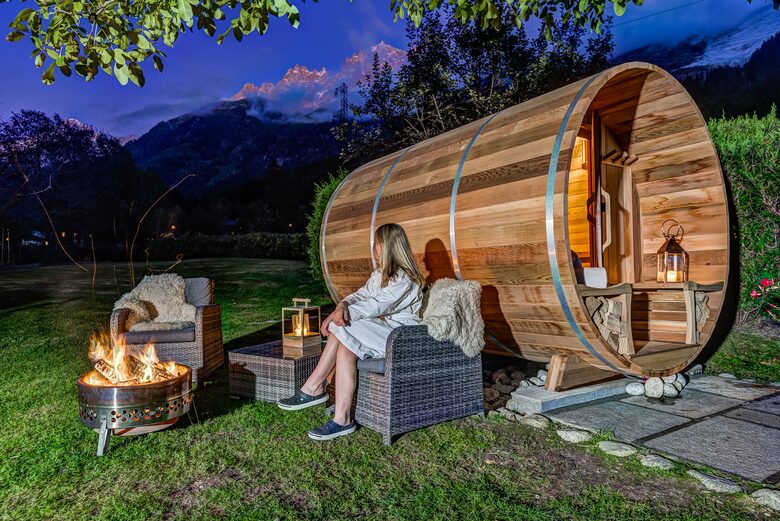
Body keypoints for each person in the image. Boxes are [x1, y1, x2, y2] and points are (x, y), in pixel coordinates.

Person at [277, 223, 425, 440]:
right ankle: (342, 420)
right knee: (346, 350)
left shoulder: (406, 279)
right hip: (381, 332)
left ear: (386, 246)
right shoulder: (380, 275)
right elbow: (359, 295)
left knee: (342, 324)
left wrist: (340, 314)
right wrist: (341, 306)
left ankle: (315, 385)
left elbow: (376, 305)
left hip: (400, 338)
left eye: (377, 243)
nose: (374, 248)